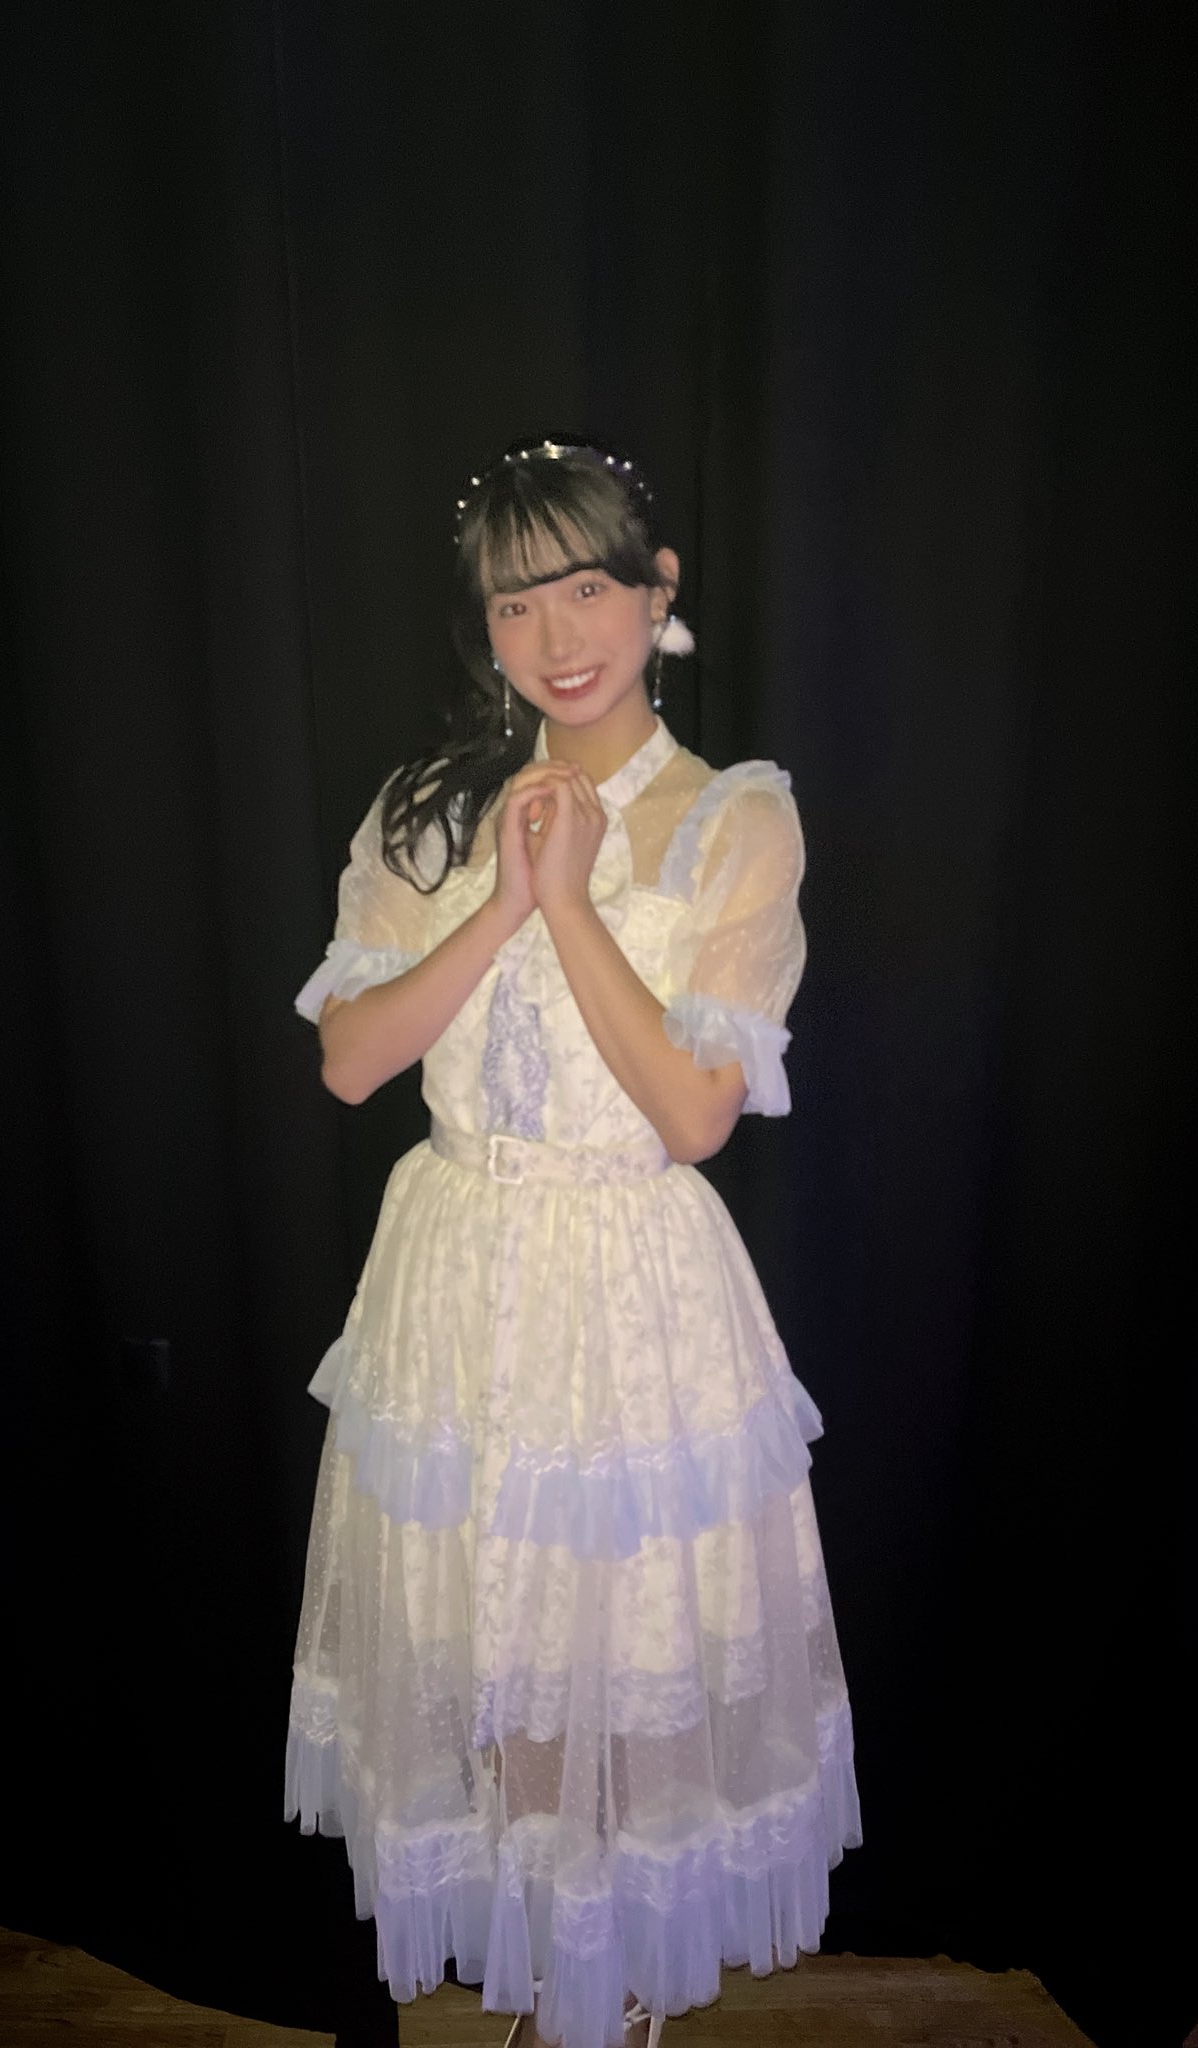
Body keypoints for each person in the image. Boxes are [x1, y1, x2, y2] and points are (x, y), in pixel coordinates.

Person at [285, 435, 861, 2048]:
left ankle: (601, 1994)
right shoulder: (428, 809)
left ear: (658, 592)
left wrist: (577, 901)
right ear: (484, 622)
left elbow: (694, 1112)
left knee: (615, 1639)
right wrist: (499, 897)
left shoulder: (734, 820)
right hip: (453, 1266)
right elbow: (350, 1063)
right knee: (480, 1635)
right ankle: (545, 1968)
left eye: (589, 588)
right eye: (516, 601)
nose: (557, 635)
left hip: (627, 1281)